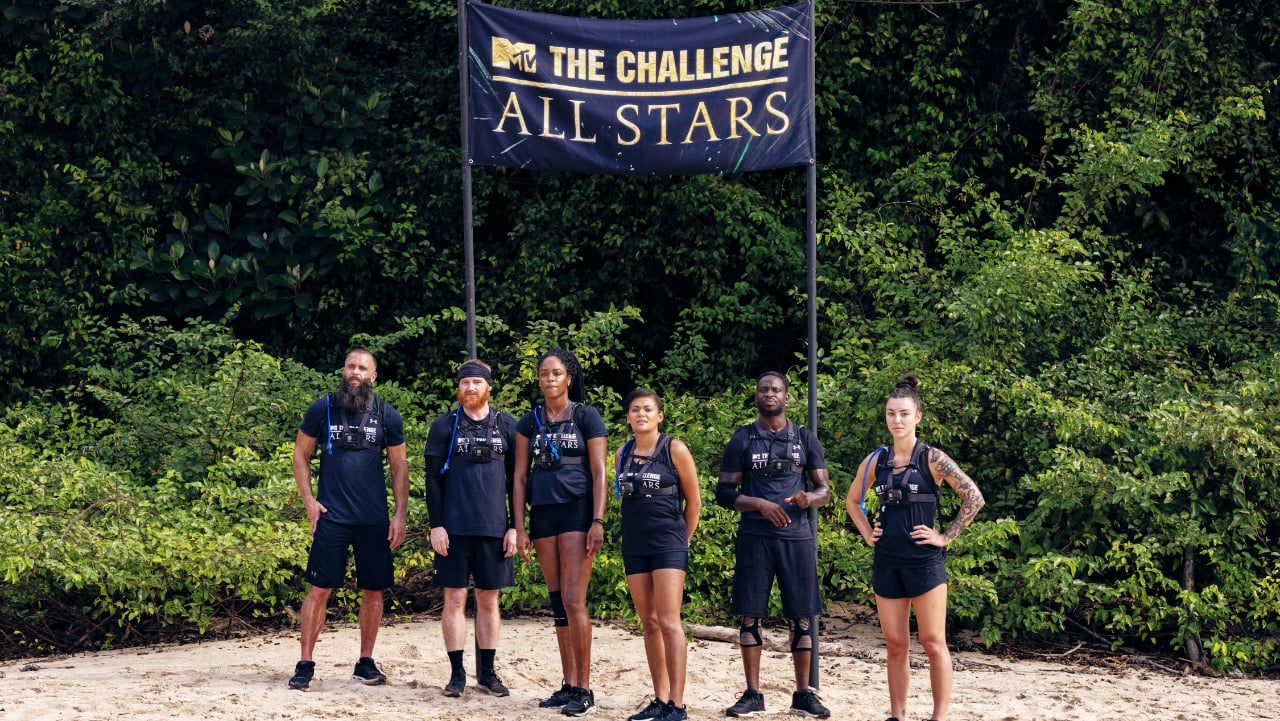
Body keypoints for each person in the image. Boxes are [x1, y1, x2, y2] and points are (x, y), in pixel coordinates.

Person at [844, 374, 985, 721]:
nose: (897, 420)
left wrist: (945, 536)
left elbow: (974, 497)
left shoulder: (932, 458)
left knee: (933, 642)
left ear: (917, 416)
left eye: (904, 413)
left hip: (924, 562)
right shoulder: (877, 460)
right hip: (887, 560)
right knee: (895, 644)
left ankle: (938, 717)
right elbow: (852, 501)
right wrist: (867, 532)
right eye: (891, 413)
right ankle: (898, 715)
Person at [288, 348, 409, 691]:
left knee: (373, 590)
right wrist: (310, 502)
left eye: (362, 368)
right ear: (343, 371)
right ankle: (305, 664)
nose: (355, 372)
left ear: (373, 376)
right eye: (350, 366)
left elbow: (400, 468)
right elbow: (300, 454)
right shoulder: (323, 408)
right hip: (332, 516)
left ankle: (365, 662)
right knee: (319, 589)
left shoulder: (387, 415)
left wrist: (399, 515)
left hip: (373, 519)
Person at [716, 371, 832, 719]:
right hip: (755, 536)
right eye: (764, 389)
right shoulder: (743, 439)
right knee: (750, 615)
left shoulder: (804, 438)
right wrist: (759, 504)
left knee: (802, 617)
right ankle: (753, 694)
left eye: (776, 389)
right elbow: (724, 493)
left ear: (787, 397)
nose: (770, 394)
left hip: (796, 537)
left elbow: (825, 490)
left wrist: (808, 498)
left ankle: (803, 695)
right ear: (756, 396)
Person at [512, 349, 609, 716]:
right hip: (543, 513)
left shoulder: (585, 416)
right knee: (557, 601)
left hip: (577, 511)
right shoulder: (530, 421)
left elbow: (599, 472)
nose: (549, 378)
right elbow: (519, 477)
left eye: (556, 373)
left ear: (569, 378)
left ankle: (585, 688)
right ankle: (568, 684)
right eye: (544, 373)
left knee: (573, 598)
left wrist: (597, 520)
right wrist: (519, 526)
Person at [423, 359, 519, 698]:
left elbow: (518, 481)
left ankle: (488, 673)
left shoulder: (507, 425)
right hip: (454, 528)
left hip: (494, 528)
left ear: (488, 387)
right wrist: (436, 525)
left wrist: (515, 527)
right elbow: (432, 480)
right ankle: (456, 674)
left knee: (489, 600)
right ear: (458, 388)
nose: (471, 388)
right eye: (465, 383)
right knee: (454, 598)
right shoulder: (445, 425)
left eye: (477, 382)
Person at [616, 388, 702, 721]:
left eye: (648, 409)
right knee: (649, 623)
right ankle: (660, 698)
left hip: (668, 543)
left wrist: (682, 540)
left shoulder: (674, 449)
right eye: (635, 409)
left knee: (668, 621)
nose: (641, 414)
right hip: (635, 544)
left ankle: (677, 705)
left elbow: (694, 502)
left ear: (659, 416)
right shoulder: (622, 453)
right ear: (628, 417)